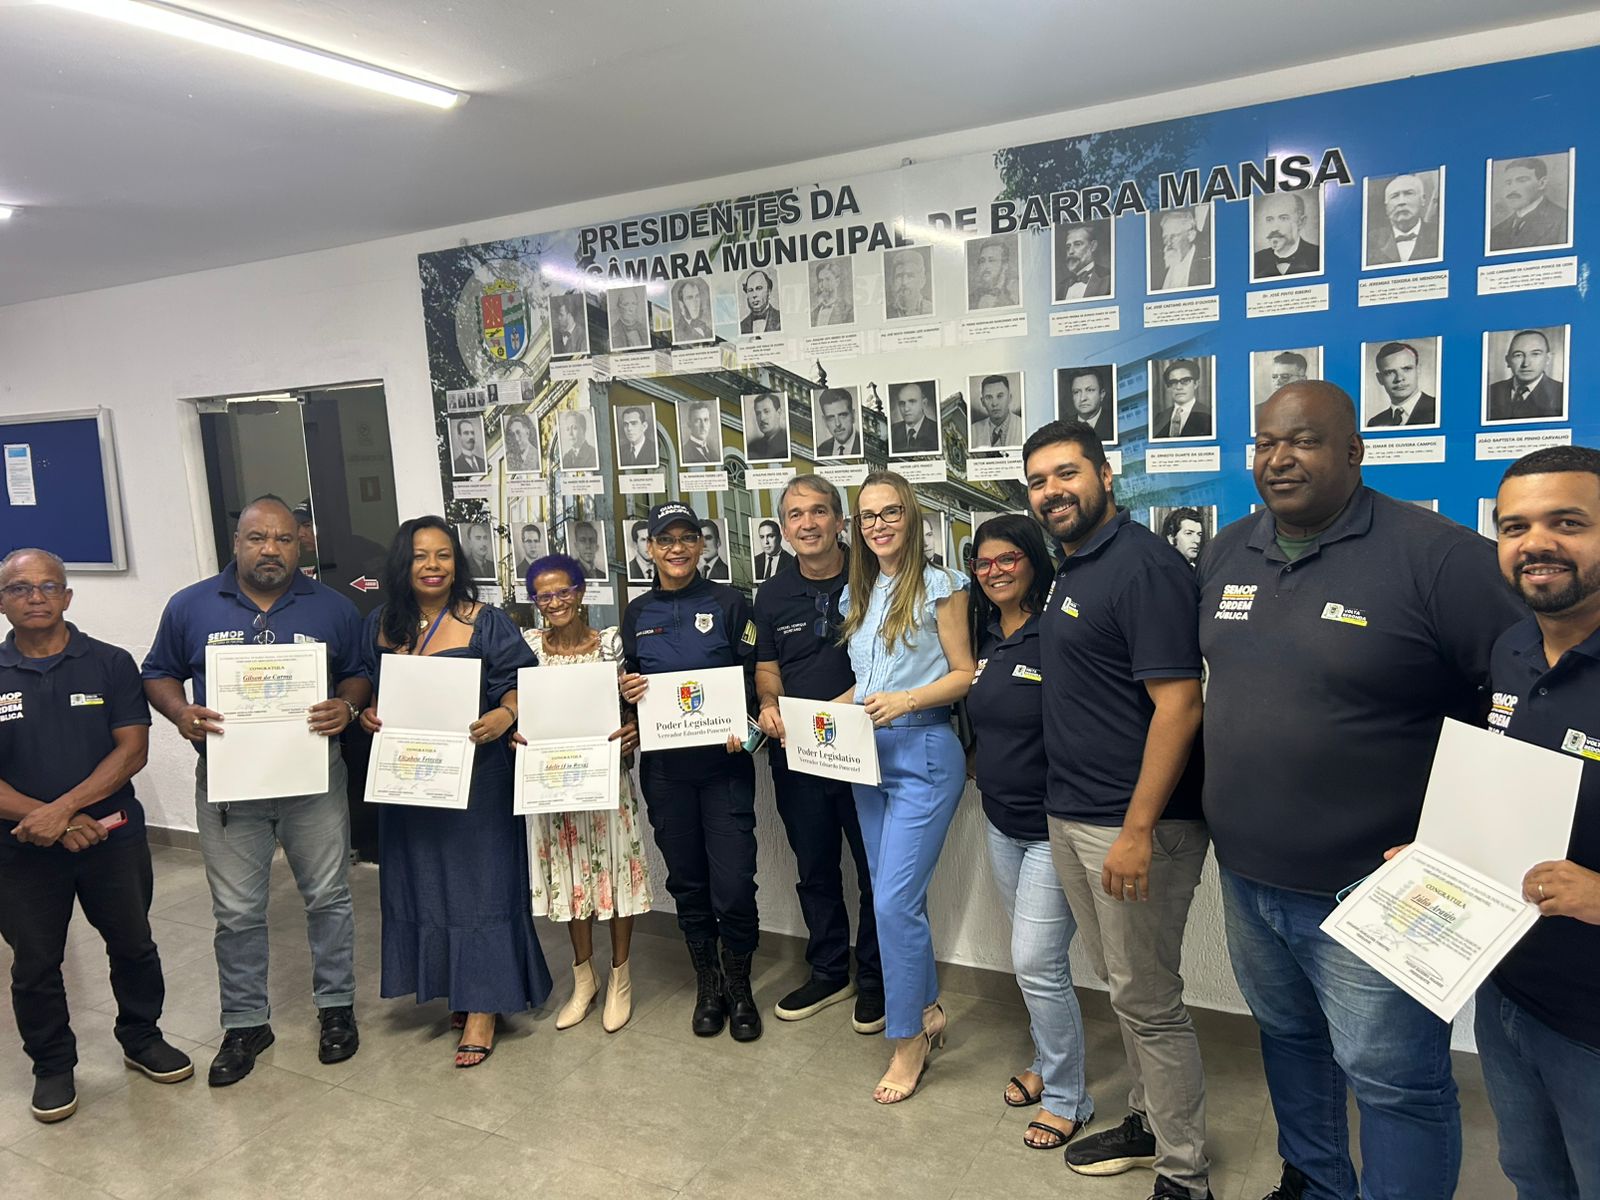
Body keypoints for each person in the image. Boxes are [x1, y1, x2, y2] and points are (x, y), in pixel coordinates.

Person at [1197, 381, 1523, 1200]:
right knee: (1289, 1041)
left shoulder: (1440, 558)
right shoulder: (1228, 550)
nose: (1279, 459)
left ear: (1353, 451)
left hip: (1379, 892)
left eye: (1303, 441)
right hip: (1248, 877)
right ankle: (1314, 1184)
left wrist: (1462, 840)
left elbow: (1522, 703)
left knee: (1394, 1082)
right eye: (1266, 442)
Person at [1022, 421, 1212, 1199]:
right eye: (1038, 481)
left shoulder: (1144, 566)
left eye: (1066, 473)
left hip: (1134, 826)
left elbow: (1180, 705)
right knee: (1124, 985)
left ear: (1106, 474)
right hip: (1075, 813)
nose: (1052, 491)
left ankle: (1185, 1175)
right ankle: (1148, 1122)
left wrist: (1137, 832)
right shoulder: (1072, 568)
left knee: (1149, 999)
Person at [142, 495, 368, 1086]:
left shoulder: (333, 607)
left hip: (313, 778)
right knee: (237, 910)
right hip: (230, 783)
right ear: (236, 543)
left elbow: (359, 671)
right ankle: (245, 1023)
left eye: (284, 539)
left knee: (328, 897)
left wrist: (347, 706)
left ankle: (336, 1008)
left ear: (301, 544)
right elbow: (157, 671)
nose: (271, 549)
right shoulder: (190, 605)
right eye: (257, 538)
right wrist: (180, 712)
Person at [0, 549, 192, 1124]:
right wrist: (50, 820)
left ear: (67, 596)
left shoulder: (110, 663)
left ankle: (142, 1037)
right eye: (19, 588)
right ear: (2, 601)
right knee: (36, 962)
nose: (35, 597)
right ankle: (53, 1065)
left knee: (133, 943)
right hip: (19, 846)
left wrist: (64, 811)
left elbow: (132, 750)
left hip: (111, 836)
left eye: (47, 586)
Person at [357, 516, 551, 1068]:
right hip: (408, 780)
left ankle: (484, 1006)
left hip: (477, 778)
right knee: (426, 882)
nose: (433, 565)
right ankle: (455, 990)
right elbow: (369, 685)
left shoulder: (484, 621)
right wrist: (368, 713)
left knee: (480, 885)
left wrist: (505, 714)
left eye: (443, 555)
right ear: (404, 563)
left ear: (457, 563)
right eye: (421, 555)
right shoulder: (380, 623)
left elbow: (522, 683)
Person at [1472, 445, 1600, 1199]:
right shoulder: (1513, 649)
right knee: (1533, 1178)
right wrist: (1448, 849)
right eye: (1514, 526)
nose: (1536, 544)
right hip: (1511, 994)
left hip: (1595, 1026)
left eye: (1569, 523)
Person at [837, 471, 974, 1103]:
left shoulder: (943, 585)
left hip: (924, 751)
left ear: (911, 517)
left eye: (890, 512)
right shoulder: (860, 593)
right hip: (867, 757)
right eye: (867, 517)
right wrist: (819, 715)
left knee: (893, 903)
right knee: (893, 900)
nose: (879, 525)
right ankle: (927, 1009)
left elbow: (965, 673)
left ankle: (908, 1041)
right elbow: (866, 688)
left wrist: (908, 700)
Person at [964, 517, 1095, 1151]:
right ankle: (1046, 1062)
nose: (995, 571)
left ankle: (1069, 1096)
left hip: (1052, 827)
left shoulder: (1056, 632)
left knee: (1036, 962)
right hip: (1000, 821)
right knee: (1035, 962)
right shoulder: (987, 635)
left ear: (1033, 562)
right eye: (984, 563)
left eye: (1008, 558)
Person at [619, 502, 762, 1042]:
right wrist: (628, 695)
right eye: (665, 539)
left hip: (725, 766)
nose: (676, 548)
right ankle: (709, 984)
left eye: (687, 537)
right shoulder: (637, 612)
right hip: (666, 773)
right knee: (686, 881)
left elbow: (755, 678)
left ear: (702, 545)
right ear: (650, 548)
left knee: (735, 883)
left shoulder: (729, 603)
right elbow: (633, 685)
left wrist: (747, 727)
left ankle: (740, 985)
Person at [754, 476, 884, 1033]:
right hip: (798, 754)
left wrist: (838, 712)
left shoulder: (876, 576)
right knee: (814, 868)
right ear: (784, 529)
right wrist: (768, 703)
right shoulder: (771, 594)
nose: (807, 524)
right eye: (795, 515)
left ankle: (877, 979)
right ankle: (830, 972)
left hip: (869, 748)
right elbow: (767, 667)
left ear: (840, 520)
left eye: (819, 512)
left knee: (877, 871)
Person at [519, 554, 650, 1033]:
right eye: (544, 596)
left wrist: (634, 726)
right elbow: (514, 702)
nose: (555, 602)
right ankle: (584, 979)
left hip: (606, 780)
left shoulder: (611, 644)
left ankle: (620, 978)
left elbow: (634, 702)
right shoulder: (528, 646)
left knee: (616, 877)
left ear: (580, 593)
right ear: (535, 602)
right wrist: (515, 730)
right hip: (554, 785)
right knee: (571, 878)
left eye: (564, 591)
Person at [1489, 156, 1569, 252]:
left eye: (1522, 180)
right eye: (1508, 183)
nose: (1512, 189)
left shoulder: (1563, 220)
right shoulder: (1496, 231)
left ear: (1542, 183)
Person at [1486, 329, 1565, 422]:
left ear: (1548, 359)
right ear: (1508, 360)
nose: (1526, 363)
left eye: (1535, 354)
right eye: (1518, 355)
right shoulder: (1490, 392)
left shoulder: (1562, 393)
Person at [1366, 174, 1440, 266]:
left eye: (1408, 193)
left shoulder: (1439, 234)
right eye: (1394, 196)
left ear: (1423, 199)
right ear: (1386, 207)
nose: (1401, 202)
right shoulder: (1371, 241)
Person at [1365, 341, 1436, 428]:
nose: (1399, 378)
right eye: (1389, 372)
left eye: (1407, 369)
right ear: (1380, 379)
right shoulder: (1375, 423)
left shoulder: (1438, 409)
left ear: (1418, 370)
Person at [1253, 192, 1321, 278]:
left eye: (1283, 218)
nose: (1274, 228)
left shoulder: (1318, 255)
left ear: (1301, 222)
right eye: (1270, 220)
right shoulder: (1256, 260)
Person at [1151, 360, 1213, 440]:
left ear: (1196, 384)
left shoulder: (1209, 416)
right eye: (1173, 382)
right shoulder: (1159, 417)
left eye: (1185, 381)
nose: (1179, 387)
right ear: (1168, 387)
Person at [1153, 208, 1211, 291]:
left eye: (1173, 236)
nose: (1168, 243)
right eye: (1165, 238)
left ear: (1191, 236)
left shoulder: (1206, 266)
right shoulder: (1159, 270)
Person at [1055, 222, 1111, 301]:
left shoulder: (1108, 278)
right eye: (1068, 247)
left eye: (1077, 244)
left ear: (1092, 246)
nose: (1070, 251)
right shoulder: (1061, 286)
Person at [970, 375, 1022, 450]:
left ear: (1009, 398)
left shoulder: (1022, 426)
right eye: (989, 397)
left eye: (1000, 396)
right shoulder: (973, 431)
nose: (994, 403)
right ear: (982, 402)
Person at [1062, 368, 1115, 442]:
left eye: (1090, 390)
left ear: (1102, 394)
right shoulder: (1064, 426)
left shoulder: (1113, 422)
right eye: (1076, 392)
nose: (1082, 398)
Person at [889, 382, 939, 455]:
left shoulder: (936, 431)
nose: (906, 409)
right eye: (902, 403)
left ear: (924, 404)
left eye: (912, 402)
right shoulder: (892, 431)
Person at [970, 236, 1019, 308]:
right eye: (982, 261)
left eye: (991, 260)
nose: (985, 266)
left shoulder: (1016, 292)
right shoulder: (972, 298)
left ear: (1005, 265)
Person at [885, 248, 933, 319]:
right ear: (894, 282)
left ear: (922, 281)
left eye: (910, 276)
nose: (904, 282)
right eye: (899, 276)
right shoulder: (887, 313)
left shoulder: (931, 309)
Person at [815, 388, 862, 457]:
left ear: (853, 416)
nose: (837, 424)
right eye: (831, 417)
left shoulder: (864, 446)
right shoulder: (821, 450)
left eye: (842, 415)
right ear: (825, 421)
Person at [745, 393, 790, 461]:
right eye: (758, 413)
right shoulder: (752, 447)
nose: (762, 418)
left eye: (766, 411)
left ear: (778, 412)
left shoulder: (786, 443)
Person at [810, 261, 854, 326]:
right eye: (820, 280)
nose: (823, 284)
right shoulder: (813, 313)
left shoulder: (848, 311)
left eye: (827, 279)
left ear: (837, 282)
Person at [739, 268, 780, 334]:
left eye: (759, 289)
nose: (754, 295)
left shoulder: (780, 318)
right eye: (750, 290)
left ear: (769, 292)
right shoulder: (742, 325)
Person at [681, 399, 721, 465]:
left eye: (706, 420)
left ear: (710, 424)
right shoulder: (684, 452)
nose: (703, 426)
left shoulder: (715, 455)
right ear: (689, 424)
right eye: (698, 421)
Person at [673, 279, 713, 343]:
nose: (695, 303)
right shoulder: (677, 332)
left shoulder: (705, 328)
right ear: (681, 304)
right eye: (690, 298)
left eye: (697, 296)